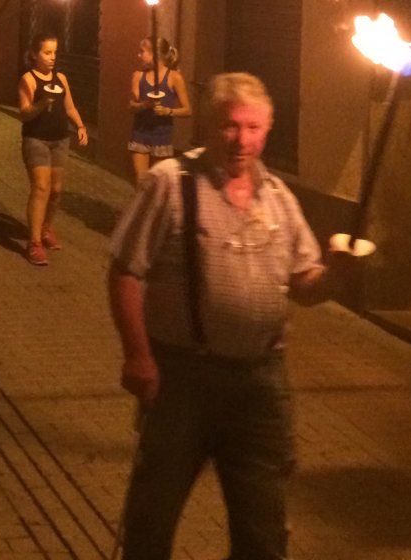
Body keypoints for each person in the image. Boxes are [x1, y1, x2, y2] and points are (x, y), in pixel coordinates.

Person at [107, 72, 358, 560]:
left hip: (261, 383)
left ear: (268, 130)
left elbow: (304, 284)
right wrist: (137, 356)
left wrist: (335, 276)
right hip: (182, 378)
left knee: (263, 529)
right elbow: (124, 272)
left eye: (253, 128)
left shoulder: (279, 198)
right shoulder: (170, 184)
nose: (242, 140)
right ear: (208, 126)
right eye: (230, 126)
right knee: (151, 518)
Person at [17, 34, 88, 267]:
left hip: (60, 140)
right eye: (47, 52)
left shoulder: (61, 78)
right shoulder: (28, 79)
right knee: (41, 187)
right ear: (35, 54)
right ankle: (34, 242)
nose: (51, 57)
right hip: (36, 139)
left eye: (54, 52)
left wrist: (80, 125)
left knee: (56, 190)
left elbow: (69, 106)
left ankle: (47, 228)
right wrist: (40, 104)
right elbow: (24, 113)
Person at [129, 36, 193, 183]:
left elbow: (187, 110)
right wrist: (144, 105)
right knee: (142, 182)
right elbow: (131, 106)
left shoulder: (174, 77)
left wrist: (168, 111)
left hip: (162, 135)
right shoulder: (138, 76)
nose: (139, 55)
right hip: (140, 133)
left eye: (142, 52)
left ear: (155, 54)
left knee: (158, 183)